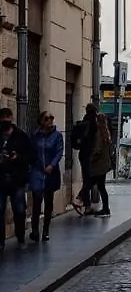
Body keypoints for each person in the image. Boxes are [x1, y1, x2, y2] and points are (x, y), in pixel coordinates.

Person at [0, 107, 33, 249]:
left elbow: (30, 156)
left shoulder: (21, 136)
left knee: (19, 210)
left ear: (12, 118)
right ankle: (1, 242)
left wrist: (17, 157)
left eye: (8, 117)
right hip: (0, 179)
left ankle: (20, 238)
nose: (5, 121)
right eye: (3, 118)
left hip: (17, 179)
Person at [28, 111, 64, 242]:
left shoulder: (57, 136)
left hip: (51, 172)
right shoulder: (35, 135)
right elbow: (31, 151)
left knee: (48, 202)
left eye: (51, 118)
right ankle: (35, 231)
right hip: (37, 171)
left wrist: (52, 165)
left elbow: (59, 152)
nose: (50, 120)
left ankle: (46, 231)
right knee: (37, 201)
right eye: (47, 118)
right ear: (41, 121)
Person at [72, 103, 97, 212]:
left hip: (82, 154)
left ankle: (87, 206)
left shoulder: (82, 122)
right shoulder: (93, 123)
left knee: (87, 178)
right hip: (90, 154)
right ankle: (79, 198)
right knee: (92, 179)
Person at [89, 113, 113, 218]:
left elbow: (98, 150)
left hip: (99, 164)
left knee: (95, 184)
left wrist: (91, 159)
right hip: (104, 164)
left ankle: (80, 200)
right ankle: (106, 208)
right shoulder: (106, 132)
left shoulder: (99, 133)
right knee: (101, 186)